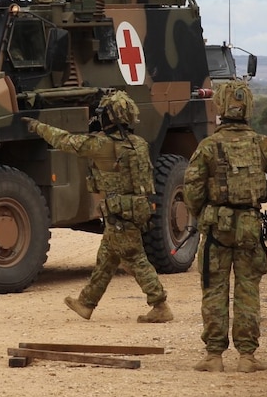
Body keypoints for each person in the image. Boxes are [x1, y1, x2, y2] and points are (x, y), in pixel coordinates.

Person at [22, 91, 173, 324]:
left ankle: (160, 304)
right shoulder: (138, 144)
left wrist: (38, 127)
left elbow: (65, 141)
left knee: (135, 258)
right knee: (107, 258)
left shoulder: (103, 145)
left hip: (119, 212)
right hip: (133, 209)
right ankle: (86, 303)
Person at [182, 79, 267, 373]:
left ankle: (214, 356)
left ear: (220, 107)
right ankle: (247, 357)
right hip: (251, 228)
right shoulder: (263, 144)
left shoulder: (208, 146)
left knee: (214, 289)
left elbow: (191, 189)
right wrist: (254, 195)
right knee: (247, 291)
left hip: (217, 229)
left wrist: (205, 211)